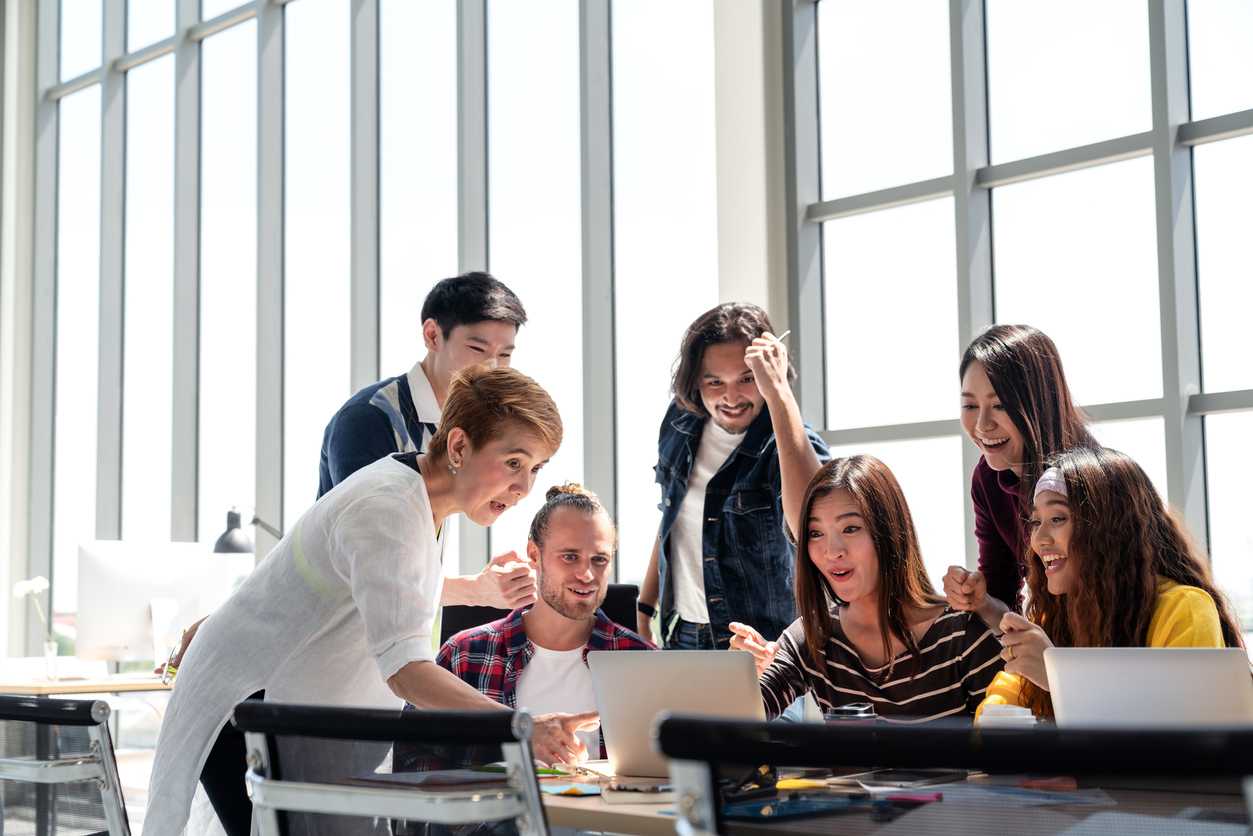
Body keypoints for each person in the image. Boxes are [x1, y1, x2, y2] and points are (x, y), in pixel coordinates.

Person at [145, 366, 595, 836]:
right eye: (513, 463)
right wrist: (521, 727)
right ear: (459, 447)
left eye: (535, 469)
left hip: (293, 701)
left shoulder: (424, 500)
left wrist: (477, 592)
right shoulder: (387, 506)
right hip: (248, 703)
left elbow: (378, 591)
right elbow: (406, 669)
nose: (525, 487)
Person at [396, 483, 654, 771]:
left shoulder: (645, 662)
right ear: (534, 554)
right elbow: (412, 759)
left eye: (599, 560)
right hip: (491, 814)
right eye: (569, 556)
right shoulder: (463, 654)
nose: (586, 574)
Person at [319, 270, 537, 611]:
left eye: (505, 356)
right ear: (433, 335)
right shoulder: (371, 418)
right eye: (478, 348)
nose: (492, 368)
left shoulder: (460, 425)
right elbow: (371, 568)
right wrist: (476, 590)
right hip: (332, 635)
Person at [729, 456, 1004, 722]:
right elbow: (739, 720)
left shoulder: (961, 633)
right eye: (816, 533)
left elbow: (1011, 751)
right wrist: (740, 676)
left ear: (889, 532)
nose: (831, 551)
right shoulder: (811, 637)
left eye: (850, 528)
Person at [979, 447, 1244, 719]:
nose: (1039, 539)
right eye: (1036, 521)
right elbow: (994, 711)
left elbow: (1182, 737)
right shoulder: (1052, 616)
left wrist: (1058, 677)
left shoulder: (1184, 609)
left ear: (1109, 528)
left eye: (1058, 518)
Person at [637, 303, 829, 650]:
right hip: (682, 638)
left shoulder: (790, 444)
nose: (731, 398)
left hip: (762, 648)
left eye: (747, 378)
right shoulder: (681, 424)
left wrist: (779, 392)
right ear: (696, 381)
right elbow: (672, 517)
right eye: (715, 382)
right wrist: (644, 608)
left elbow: (815, 526)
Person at [945, 324, 1096, 627]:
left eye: (999, 405)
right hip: (1057, 647)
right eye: (970, 405)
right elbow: (1003, 595)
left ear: (1037, 402)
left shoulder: (1091, 479)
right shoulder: (987, 480)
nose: (982, 425)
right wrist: (979, 599)